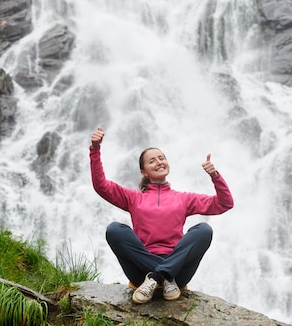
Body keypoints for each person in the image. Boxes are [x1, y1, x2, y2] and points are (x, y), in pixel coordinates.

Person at [89, 126, 234, 304]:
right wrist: (95, 149)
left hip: (178, 272)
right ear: (144, 172)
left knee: (204, 230)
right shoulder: (133, 198)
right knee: (114, 230)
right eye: (152, 161)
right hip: (141, 273)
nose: (158, 162)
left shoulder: (184, 199)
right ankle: (162, 275)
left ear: (168, 164)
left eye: (161, 158)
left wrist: (214, 175)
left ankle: (160, 275)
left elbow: (224, 203)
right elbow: (101, 186)